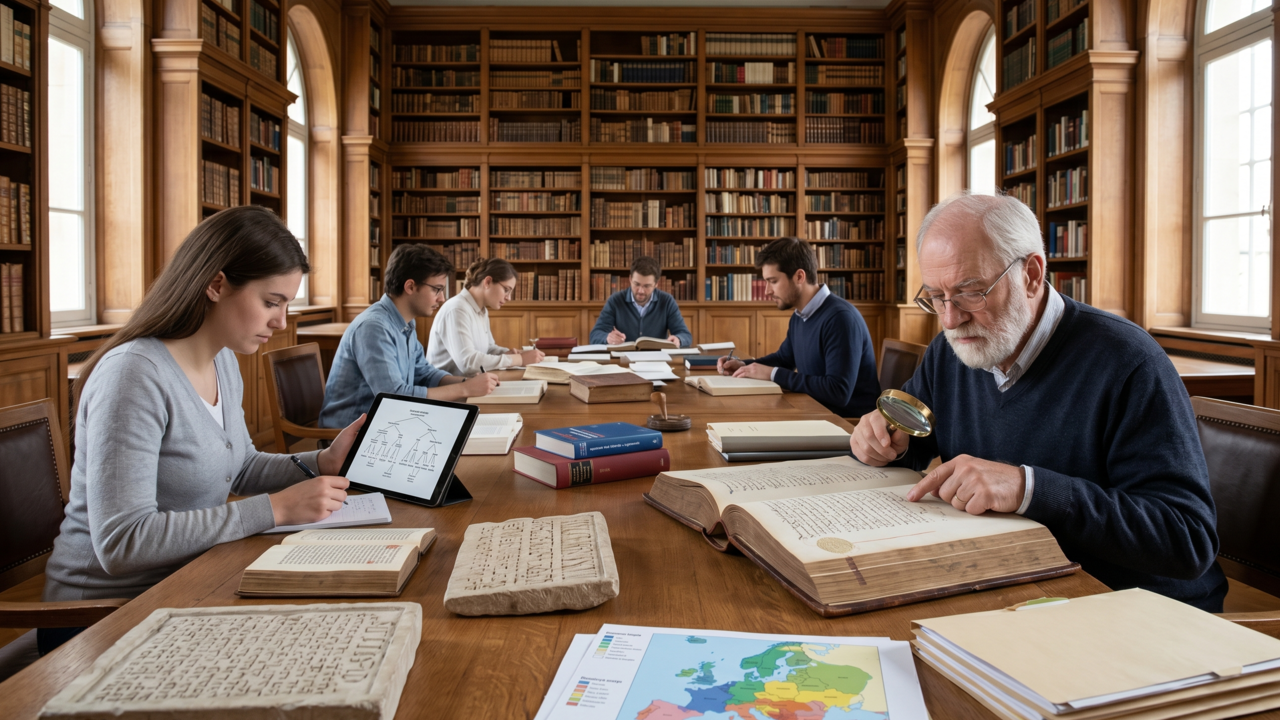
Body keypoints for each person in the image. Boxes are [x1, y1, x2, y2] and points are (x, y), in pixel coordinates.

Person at [850, 192, 1227, 611]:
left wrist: (1029, 488)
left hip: (1128, 607)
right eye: (936, 297)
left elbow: (1186, 539)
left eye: (971, 292)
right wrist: (880, 441)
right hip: (1014, 582)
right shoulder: (950, 350)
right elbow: (913, 439)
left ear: (1030, 274)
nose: (951, 319)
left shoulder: (1129, 363)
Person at [42, 206, 365, 655]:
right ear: (216, 284)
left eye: (287, 304)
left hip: (192, 582)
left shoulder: (223, 360)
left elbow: (241, 465)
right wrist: (272, 510)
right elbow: (121, 543)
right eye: (271, 302)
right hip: (103, 617)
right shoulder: (133, 376)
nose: (280, 321)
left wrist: (321, 462)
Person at [320, 244, 499, 429]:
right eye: (437, 289)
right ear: (410, 286)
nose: (442, 298)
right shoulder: (373, 327)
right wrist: (465, 389)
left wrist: (468, 382)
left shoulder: (406, 323)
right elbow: (394, 396)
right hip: (351, 434)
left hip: (388, 422)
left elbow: (424, 373)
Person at [718, 237, 880, 418]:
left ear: (799, 276)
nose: (767, 291)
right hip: (815, 412)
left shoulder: (840, 318)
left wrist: (773, 374)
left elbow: (838, 392)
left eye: (773, 281)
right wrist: (743, 366)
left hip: (848, 425)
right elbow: (784, 359)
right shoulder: (800, 315)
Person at [427, 257, 544, 375]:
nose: (508, 297)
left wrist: (511, 353)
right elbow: (468, 362)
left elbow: (488, 349)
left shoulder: (482, 310)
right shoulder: (457, 308)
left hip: (470, 384)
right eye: (506, 290)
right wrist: (520, 360)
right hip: (447, 388)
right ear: (487, 282)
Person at [589, 256, 692, 347]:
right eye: (636, 284)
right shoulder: (615, 300)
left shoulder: (667, 301)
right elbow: (595, 335)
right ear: (630, 279)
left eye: (646, 286)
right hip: (622, 361)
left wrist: (678, 340)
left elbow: (685, 335)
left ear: (656, 284)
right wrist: (607, 338)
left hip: (656, 362)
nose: (640, 291)